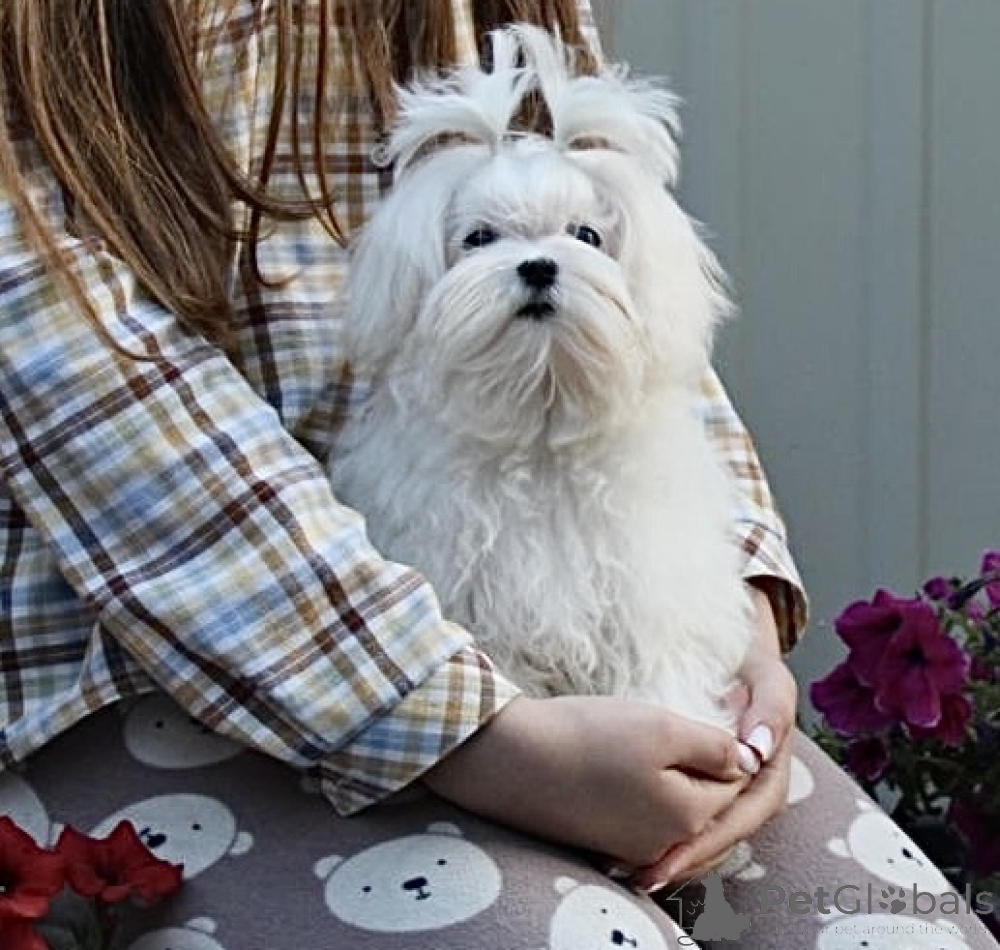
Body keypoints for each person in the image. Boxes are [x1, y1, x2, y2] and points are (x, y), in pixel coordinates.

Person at [0, 2, 996, 948]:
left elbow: (638, 309)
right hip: (132, 674)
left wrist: (736, 620)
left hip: (581, 685)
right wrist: (471, 734)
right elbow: (85, 385)